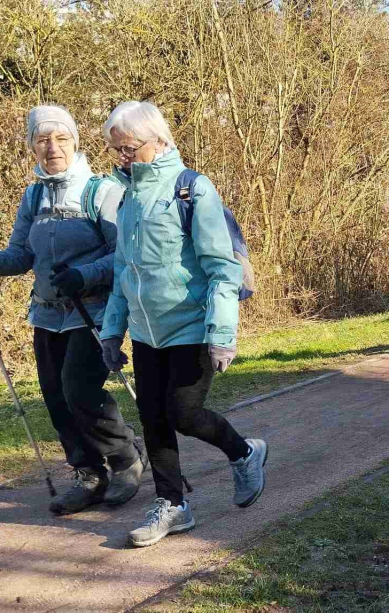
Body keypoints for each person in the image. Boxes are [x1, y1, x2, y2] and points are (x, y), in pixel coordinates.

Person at [0, 105, 146, 515]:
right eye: (42, 140)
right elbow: (20, 256)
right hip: (47, 313)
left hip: (95, 311)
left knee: (78, 388)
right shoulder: (33, 195)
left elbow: (125, 254)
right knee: (55, 396)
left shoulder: (100, 191)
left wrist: (85, 274)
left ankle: (124, 459)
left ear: (74, 141)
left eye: (60, 138)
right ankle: (88, 474)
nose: (51, 147)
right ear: (33, 147)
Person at [99, 101, 267, 547]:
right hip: (146, 330)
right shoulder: (128, 197)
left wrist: (222, 334)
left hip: (192, 324)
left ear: (159, 140)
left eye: (129, 148)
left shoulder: (192, 189)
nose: (122, 158)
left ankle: (244, 452)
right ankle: (172, 505)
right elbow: (122, 272)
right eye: (116, 150)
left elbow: (221, 268)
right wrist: (112, 330)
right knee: (153, 417)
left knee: (184, 414)